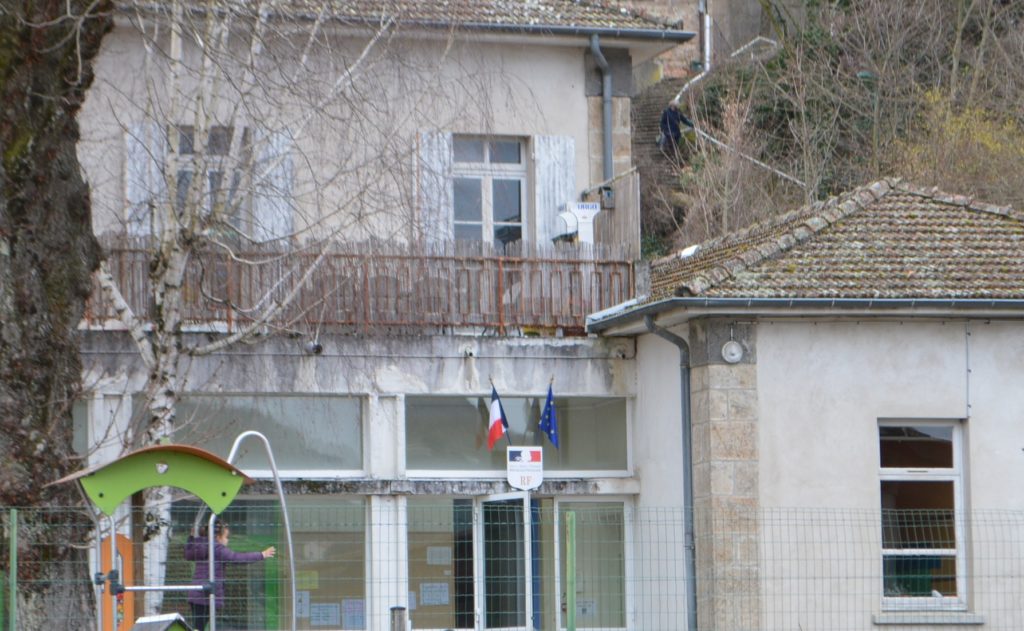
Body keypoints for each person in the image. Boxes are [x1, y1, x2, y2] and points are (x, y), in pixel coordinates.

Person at [185, 521, 275, 631]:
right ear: (218, 537)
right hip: (208, 596)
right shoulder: (217, 549)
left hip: (196, 595)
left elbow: (187, 554)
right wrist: (261, 554)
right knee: (199, 626)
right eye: (226, 537)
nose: (228, 540)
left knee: (197, 626)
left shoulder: (200, 546)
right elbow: (237, 558)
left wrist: (191, 538)